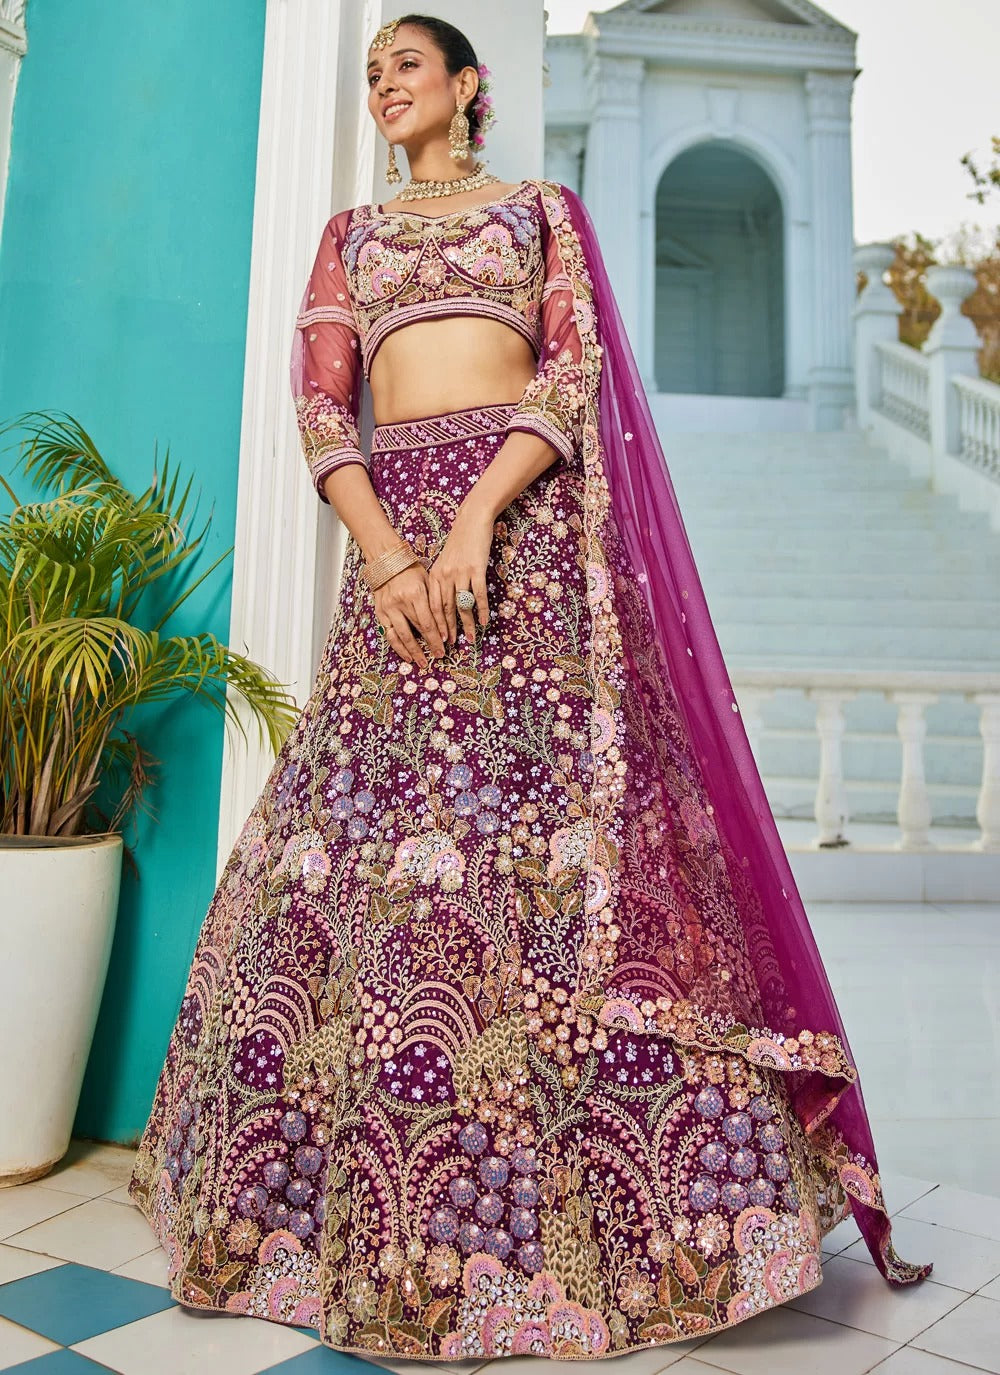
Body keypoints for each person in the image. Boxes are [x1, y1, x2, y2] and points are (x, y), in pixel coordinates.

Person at [128, 12, 930, 1360]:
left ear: (466, 86)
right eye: (371, 70)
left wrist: (475, 524)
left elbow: (566, 375)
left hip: (527, 549)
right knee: (373, 847)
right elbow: (323, 408)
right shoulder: (349, 238)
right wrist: (391, 554)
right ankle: (348, 1217)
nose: (385, 84)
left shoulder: (538, 214)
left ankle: (640, 1227)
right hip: (394, 559)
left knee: (553, 853)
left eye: (407, 64)